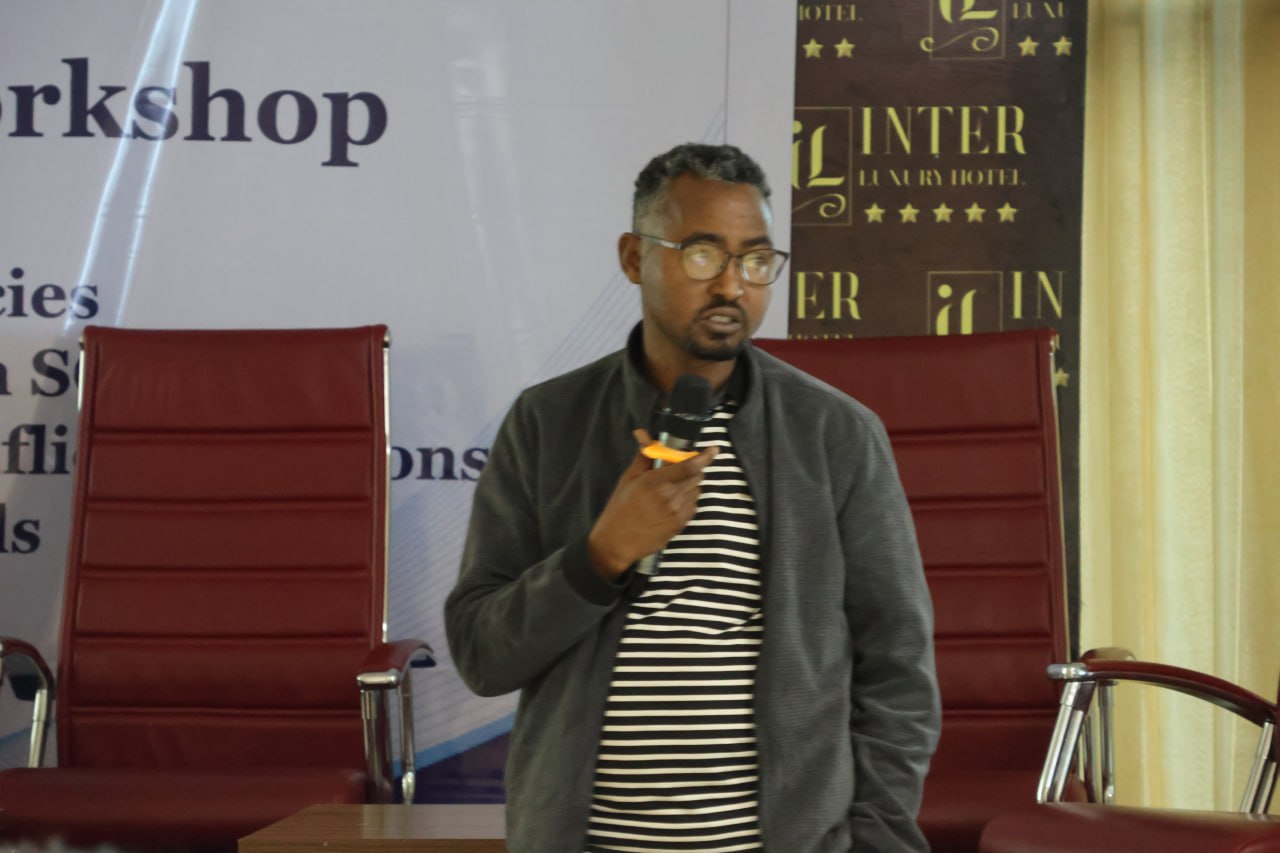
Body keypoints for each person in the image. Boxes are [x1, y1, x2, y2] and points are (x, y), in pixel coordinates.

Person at [445, 143, 940, 852]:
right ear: (633, 258)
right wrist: (600, 555)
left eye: (757, 260)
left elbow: (899, 665)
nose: (733, 286)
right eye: (703, 254)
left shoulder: (836, 434)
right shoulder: (547, 423)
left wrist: (876, 839)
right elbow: (482, 654)